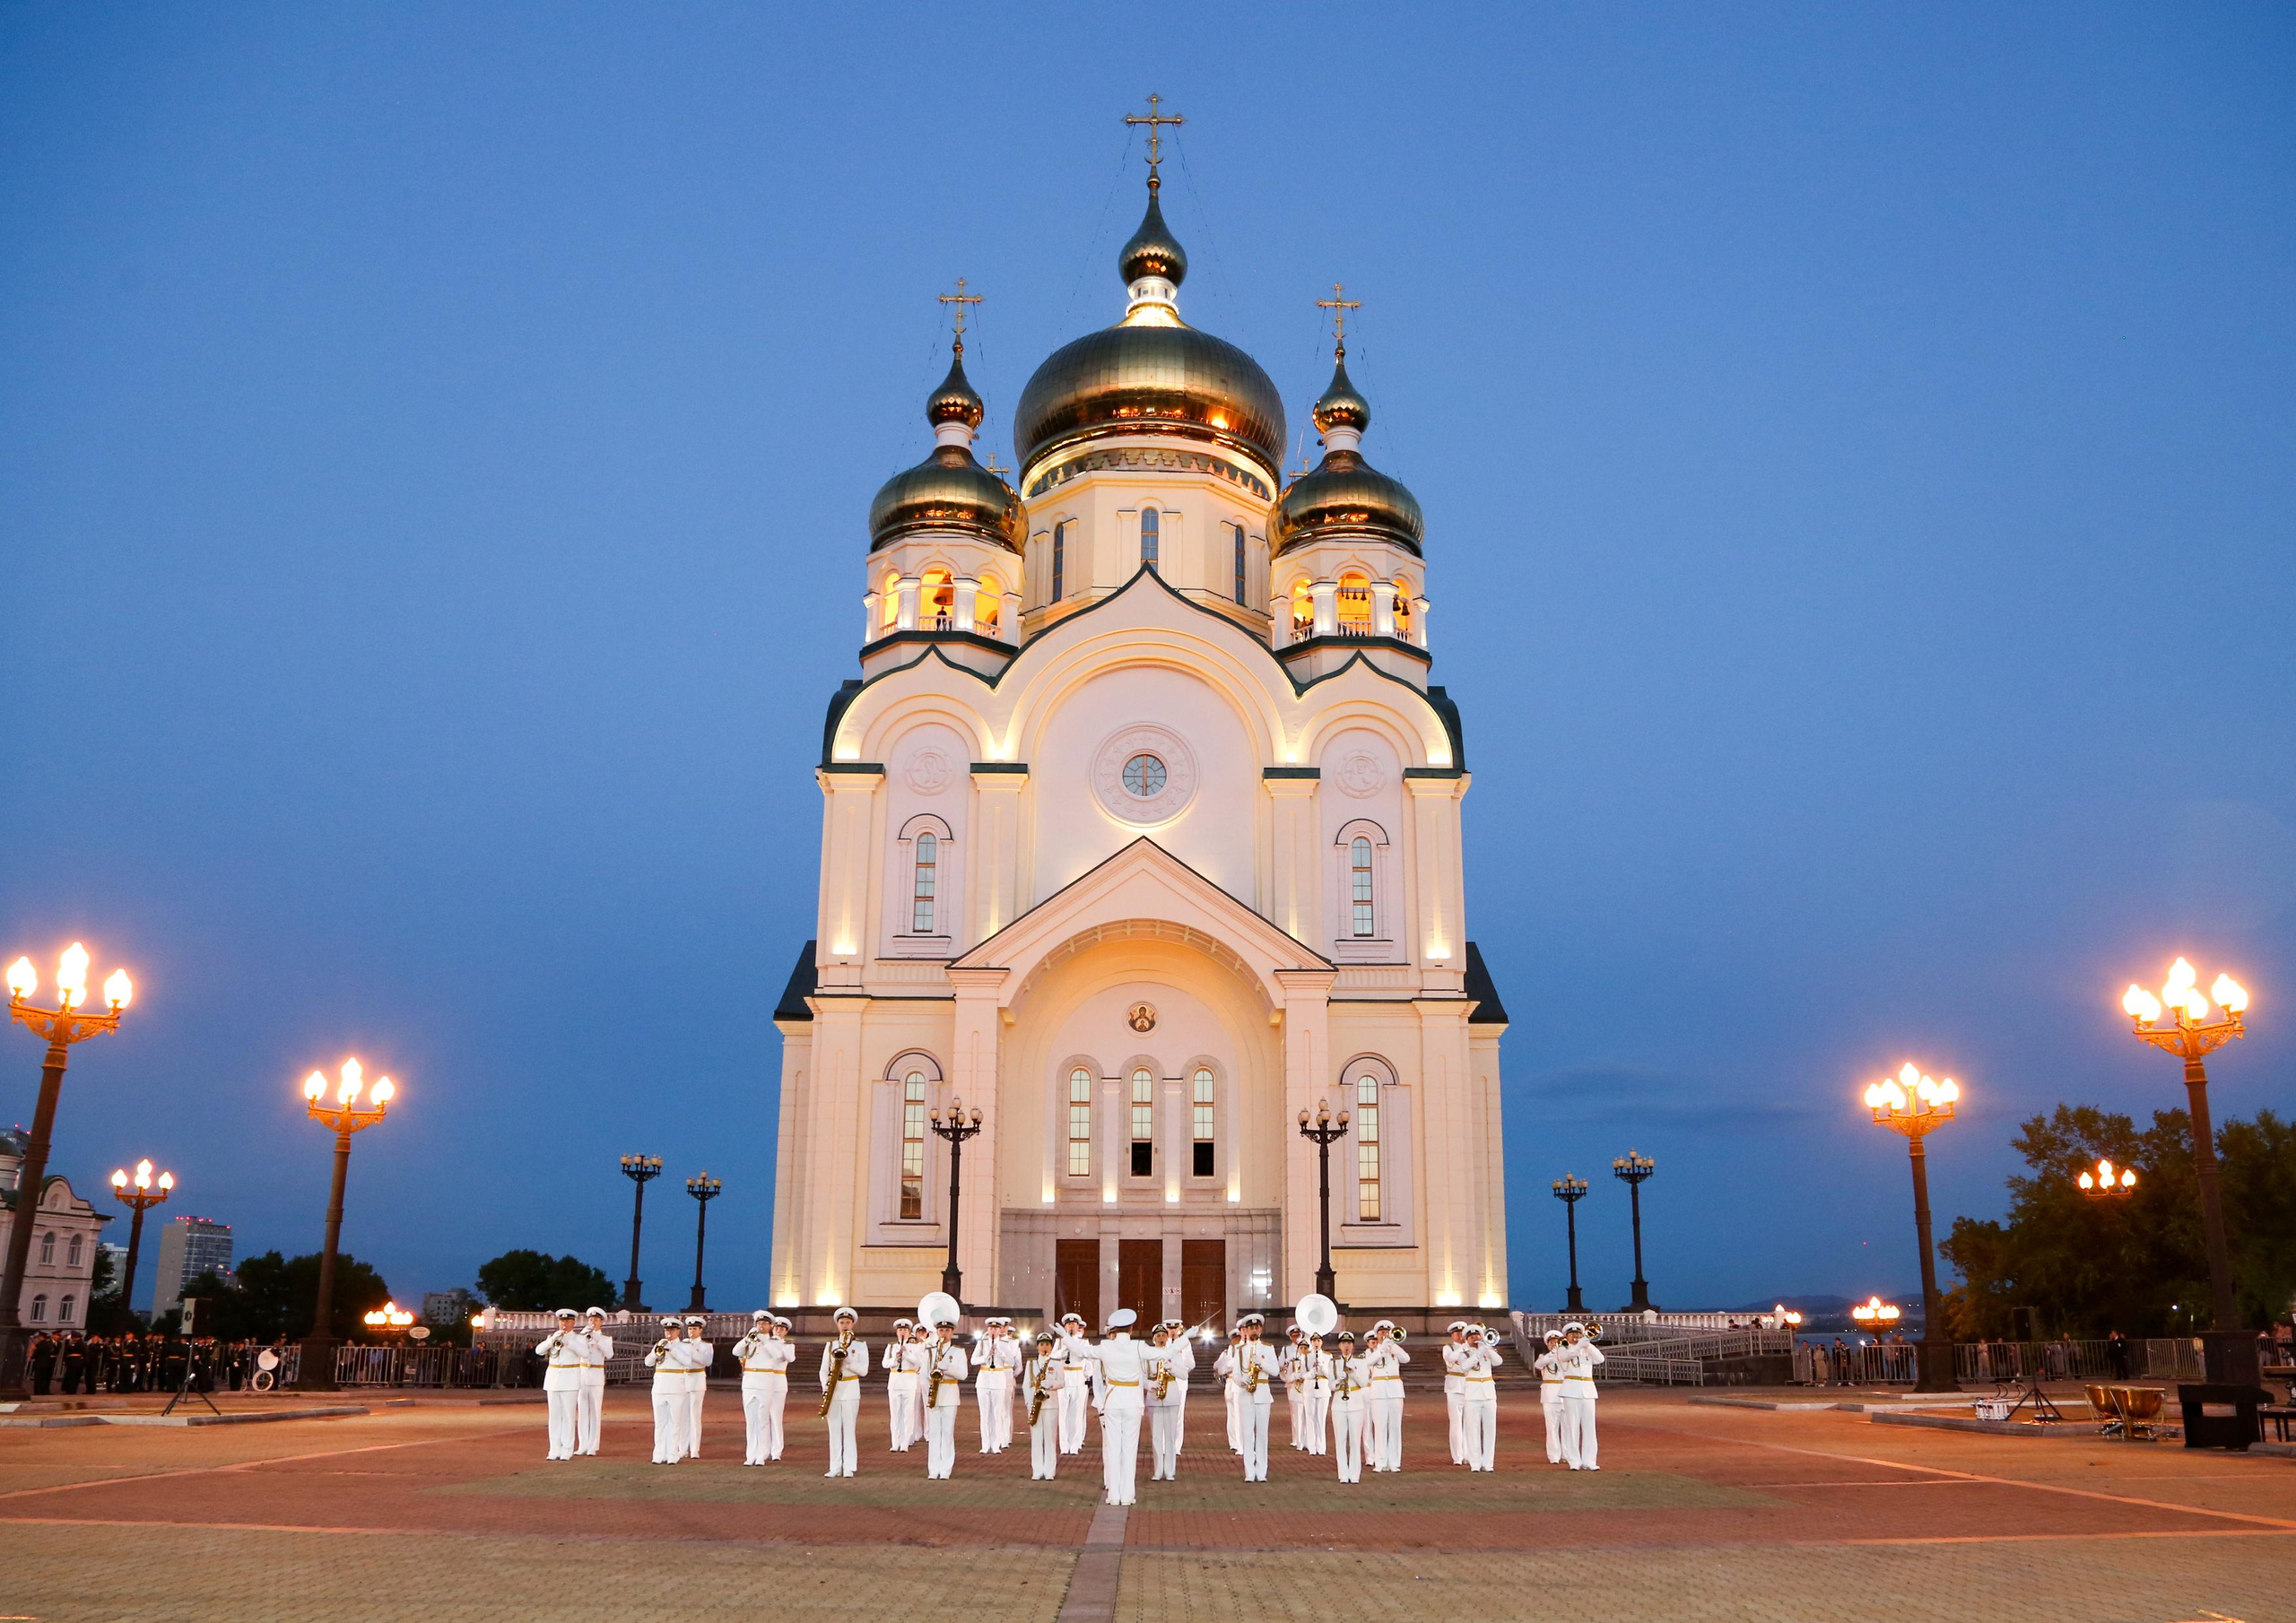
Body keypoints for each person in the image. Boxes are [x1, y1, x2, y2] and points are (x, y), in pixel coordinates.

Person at [1091, 1308, 1146, 1506]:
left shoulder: (1115, 1350)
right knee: (1113, 1449)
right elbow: (1097, 1382)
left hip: (1118, 1401)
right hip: (1109, 1403)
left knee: (1120, 1449)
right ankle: (1114, 1489)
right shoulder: (1113, 1351)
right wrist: (1101, 1407)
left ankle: (1119, 1493)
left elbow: (1140, 1381)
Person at [735, 1310, 792, 1465]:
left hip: (766, 1382)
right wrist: (747, 1339)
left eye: (764, 1324)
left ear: (769, 1326)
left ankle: (762, 1454)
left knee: (763, 1420)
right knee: (750, 1420)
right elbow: (735, 1351)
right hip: (749, 1383)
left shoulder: (773, 1342)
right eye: (759, 1324)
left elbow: (777, 1355)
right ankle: (750, 1454)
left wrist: (764, 1341)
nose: (761, 1326)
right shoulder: (751, 1341)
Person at [1229, 1313, 1281, 1482]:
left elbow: (1275, 1371)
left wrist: (1262, 1363)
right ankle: (1249, 1472)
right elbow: (1236, 1374)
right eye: (1251, 1328)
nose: (1254, 1330)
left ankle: (1262, 1471)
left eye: (1257, 1327)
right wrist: (1240, 1380)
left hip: (1263, 1394)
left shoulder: (1268, 1347)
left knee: (1262, 1435)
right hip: (1246, 1394)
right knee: (1247, 1435)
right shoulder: (1241, 1350)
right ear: (1246, 1330)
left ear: (1261, 1329)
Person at [819, 1306, 867, 1477]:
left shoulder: (860, 1345)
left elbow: (864, 1370)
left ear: (853, 1324)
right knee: (833, 1429)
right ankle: (835, 1466)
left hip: (851, 1388)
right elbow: (823, 1370)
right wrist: (826, 1386)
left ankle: (849, 1466)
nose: (845, 1325)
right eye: (842, 1322)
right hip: (834, 1389)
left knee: (848, 1428)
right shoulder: (831, 1344)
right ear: (837, 1325)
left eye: (848, 1322)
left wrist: (849, 1362)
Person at [537, 1309, 587, 1461]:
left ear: (573, 1323)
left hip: (570, 1379)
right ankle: (554, 1449)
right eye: (561, 1321)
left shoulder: (579, 1338)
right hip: (553, 1380)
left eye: (567, 1321)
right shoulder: (553, 1337)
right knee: (554, 1416)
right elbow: (539, 1351)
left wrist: (569, 1343)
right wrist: (551, 1341)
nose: (564, 1324)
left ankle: (567, 1449)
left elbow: (585, 1353)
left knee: (568, 1415)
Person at [922, 1315, 968, 1479]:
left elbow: (963, 1375)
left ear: (952, 1332)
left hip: (949, 1394)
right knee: (934, 1433)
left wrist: (947, 1368)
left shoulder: (958, 1352)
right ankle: (933, 1470)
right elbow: (923, 1374)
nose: (944, 1333)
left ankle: (946, 1469)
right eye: (941, 1330)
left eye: (947, 1330)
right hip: (934, 1393)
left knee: (947, 1433)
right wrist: (928, 1390)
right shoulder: (929, 1352)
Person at [1556, 1321, 1604, 1470]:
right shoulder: (1563, 1349)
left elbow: (1600, 1359)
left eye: (1578, 1334)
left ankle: (1590, 1461)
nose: (1575, 1337)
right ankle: (1574, 1461)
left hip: (1588, 1390)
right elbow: (1565, 1358)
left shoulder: (1587, 1349)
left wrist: (1588, 1344)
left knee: (1590, 1427)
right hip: (1571, 1390)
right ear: (1567, 1336)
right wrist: (1578, 1346)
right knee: (1572, 1426)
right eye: (1572, 1335)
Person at [1366, 1321, 1410, 1471]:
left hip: (1395, 1390)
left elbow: (1406, 1359)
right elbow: (1368, 1362)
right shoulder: (1372, 1350)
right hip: (1378, 1391)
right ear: (1376, 1335)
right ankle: (1380, 1462)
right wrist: (1381, 1349)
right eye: (1381, 1332)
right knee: (1380, 1427)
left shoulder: (1395, 1349)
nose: (1384, 1335)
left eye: (1387, 1332)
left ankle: (1394, 1462)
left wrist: (1393, 1347)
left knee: (1395, 1426)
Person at [644, 1317, 689, 1463]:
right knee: (660, 1423)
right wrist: (656, 1353)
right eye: (667, 1330)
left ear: (678, 1331)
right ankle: (658, 1454)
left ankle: (672, 1455)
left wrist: (673, 1351)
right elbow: (648, 1362)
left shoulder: (684, 1346)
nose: (669, 1333)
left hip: (676, 1388)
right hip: (660, 1387)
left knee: (675, 1423)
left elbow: (687, 1362)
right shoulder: (659, 1344)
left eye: (672, 1330)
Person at [1023, 1330, 1065, 1480]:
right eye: (1042, 1344)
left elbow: (1062, 1382)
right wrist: (1030, 1403)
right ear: (1037, 1347)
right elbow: (1026, 1384)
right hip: (1036, 1404)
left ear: (1052, 1346)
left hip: (1051, 1403)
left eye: (1047, 1344)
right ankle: (1037, 1470)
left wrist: (1052, 1384)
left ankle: (1049, 1471)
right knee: (1036, 1438)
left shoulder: (1056, 1362)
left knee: (1050, 1438)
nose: (1044, 1347)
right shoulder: (1031, 1363)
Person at [1459, 1324, 1502, 1471]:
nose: (1475, 1339)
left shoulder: (1487, 1350)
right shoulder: (1464, 1353)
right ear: (1467, 1339)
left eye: (1477, 1336)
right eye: (1472, 1337)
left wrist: (1488, 1349)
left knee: (1490, 1429)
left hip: (1489, 1394)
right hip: (1472, 1394)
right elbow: (1464, 1367)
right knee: (1473, 1430)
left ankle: (1488, 1463)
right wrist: (1478, 1353)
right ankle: (1475, 1464)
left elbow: (1498, 1362)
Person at [973, 1316, 1020, 1453]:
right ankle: (985, 1445)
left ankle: (996, 1445)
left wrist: (1001, 1354)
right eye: (991, 1328)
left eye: (996, 1328)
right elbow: (973, 1360)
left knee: (997, 1413)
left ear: (1000, 1330)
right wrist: (985, 1357)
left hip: (999, 1380)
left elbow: (1011, 1362)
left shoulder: (1005, 1343)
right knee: (985, 1414)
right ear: (988, 1329)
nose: (993, 1331)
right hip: (984, 1379)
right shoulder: (982, 1343)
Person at [1329, 1332, 1370, 1483]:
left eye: (1349, 1343)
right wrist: (1338, 1381)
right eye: (1344, 1343)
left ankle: (1354, 1474)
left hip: (1356, 1402)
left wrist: (1353, 1374)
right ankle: (1343, 1474)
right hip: (1339, 1403)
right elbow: (1331, 1386)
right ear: (1339, 1345)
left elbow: (1364, 1383)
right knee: (1340, 1440)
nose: (1346, 1346)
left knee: (1354, 1440)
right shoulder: (1333, 1363)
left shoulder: (1360, 1361)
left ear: (1353, 1345)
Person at [1144, 1324, 1183, 1480]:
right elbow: (1143, 1375)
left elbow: (1184, 1374)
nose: (1161, 1338)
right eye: (1158, 1336)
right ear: (1154, 1338)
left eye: (1163, 1335)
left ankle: (1170, 1471)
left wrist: (1172, 1367)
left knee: (1170, 1435)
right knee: (1156, 1436)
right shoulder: (1148, 1354)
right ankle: (1158, 1470)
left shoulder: (1174, 1353)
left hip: (1171, 1395)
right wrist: (1149, 1385)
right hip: (1154, 1397)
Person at [574, 1307, 613, 1456]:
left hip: (596, 1376)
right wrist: (583, 1335)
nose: (593, 1322)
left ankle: (593, 1445)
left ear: (601, 1322)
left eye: (596, 1320)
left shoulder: (605, 1339)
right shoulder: (582, 1336)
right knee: (583, 1412)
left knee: (595, 1412)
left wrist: (596, 1339)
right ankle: (583, 1444)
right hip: (583, 1375)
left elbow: (609, 1354)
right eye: (591, 1320)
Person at [1056, 1313, 1093, 1454]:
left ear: (1078, 1327)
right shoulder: (1059, 1342)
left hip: (1078, 1379)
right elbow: (1053, 1357)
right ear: (1065, 1327)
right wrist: (1064, 1350)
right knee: (1063, 1414)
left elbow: (1088, 1361)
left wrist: (1086, 1376)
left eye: (1074, 1324)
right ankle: (1064, 1446)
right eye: (1069, 1324)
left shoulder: (1083, 1342)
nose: (1071, 1326)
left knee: (1077, 1414)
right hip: (1064, 1379)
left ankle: (1075, 1445)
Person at [677, 1315, 713, 1458]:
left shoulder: (706, 1346)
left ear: (700, 1330)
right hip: (683, 1380)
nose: (691, 1331)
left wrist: (693, 1351)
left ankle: (695, 1449)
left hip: (697, 1379)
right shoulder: (682, 1343)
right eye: (690, 1329)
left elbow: (707, 1361)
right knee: (682, 1416)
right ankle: (682, 1448)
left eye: (694, 1329)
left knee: (695, 1416)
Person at [884, 1319, 920, 1452]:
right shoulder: (891, 1346)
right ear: (897, 1332)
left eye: (905, 1330)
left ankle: (905, 1443)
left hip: (909, 1382)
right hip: (894, 1381)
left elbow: (918, 1362)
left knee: (908, 1413)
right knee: (895, 1414)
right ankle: (895, 1442)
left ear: (909, 1332)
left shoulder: (915, 1347)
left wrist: (907, 1354)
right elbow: (885, 1363)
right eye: (900, 1330)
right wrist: (895, 1359)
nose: (902, 1332)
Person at [1161, 1319, 1197, 1450]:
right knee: (1165, 1414)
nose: (1172, 1331)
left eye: (1174, 1329)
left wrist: (1181, 1358)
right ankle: (1165, 1445)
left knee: (1178, 1415)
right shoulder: (1163, 1343)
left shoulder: (1185, 1344)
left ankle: (1176, 1447)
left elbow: (1192, 1364)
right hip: (1165, 1382)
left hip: (1180, 1382)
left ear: (1179, 1329)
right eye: (1170, 1329)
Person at [1439, 1320, 1471, 1464]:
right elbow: (1450, 1358)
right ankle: (1457, 1456)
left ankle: (1469, 1454)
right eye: (1457, 1333)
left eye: (1462, 1333)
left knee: (1470, 1423)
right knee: (1456, 1423)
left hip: (1470, 1386)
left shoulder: (1471, 1348)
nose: (1459, 1335)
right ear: (1452, 1335)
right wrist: (1463, 1348)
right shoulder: (1449, 1347)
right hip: (1454, 1385)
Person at [1536, 1329, 1567, 1463]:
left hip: (1566, 1394)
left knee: (1568, 1427)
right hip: (1550, 1395)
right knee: (1552, 1427)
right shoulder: (1543, 1356)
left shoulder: (1566, 1357)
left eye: (1556, 1342)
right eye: (1551, 1342)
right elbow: (1539, 1365)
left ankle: (1567, 1454)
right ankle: (1554, 1456)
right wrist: (1552, 1354)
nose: (1554, 1344)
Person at [1300, 1331, 1332, 1455]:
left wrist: (1322, 1367)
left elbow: (1331, 1375)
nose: (1316, 1343)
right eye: (1314, 1341)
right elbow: (1302, 1374)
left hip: (1323, 1388)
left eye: (1318, 1341)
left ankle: (1321, 1447)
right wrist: (1311, 1372)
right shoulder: (1306, 1356)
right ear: (1311, 1342)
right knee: (1310, 1418)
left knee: (1321, 1418)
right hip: (1310, 1388)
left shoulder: (1328, 1356)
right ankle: (1312, 1447)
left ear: (1321, 1342)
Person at [1213, 1328, 1244, 1453]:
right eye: (1234, 1339)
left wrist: (1229, 1365)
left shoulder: (1244, 1350)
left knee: (1241, 1414)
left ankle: (1241, 1441)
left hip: (1241, 1384)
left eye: (1238, 1339)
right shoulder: (1226, 1353)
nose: (1235, 1341)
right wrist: (1230, 1364)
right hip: (1230, 1383)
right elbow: (1219, 1368)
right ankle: (1233, 1442)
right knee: (1231, 1415)